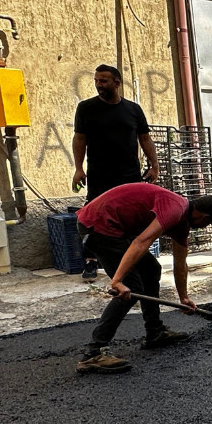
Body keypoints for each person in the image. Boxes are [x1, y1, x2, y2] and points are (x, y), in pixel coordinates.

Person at [74, 183, 212, 374]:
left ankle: (155, 332)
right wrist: (118, 281)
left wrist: (183, 298)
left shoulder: (181, 224)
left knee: (151, 269)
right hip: (99, 224)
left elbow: (180, 265)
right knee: (131, 286)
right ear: (205, 218)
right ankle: (94, 352)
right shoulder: (175, 209)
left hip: (116, 228)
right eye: (209, 224)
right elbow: (142, 242)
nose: (205, 227)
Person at [72, 64, 160, 280]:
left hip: (129, 175)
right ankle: (91, 261)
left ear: (117, 83)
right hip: (99, 174)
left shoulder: (133, 110)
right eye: (96, 80)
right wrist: (78, 168)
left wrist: (154, 165)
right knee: (94, 217)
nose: (98, 85)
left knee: (130, 217)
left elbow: (145, 138)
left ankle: (131, 259)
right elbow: (80, 138)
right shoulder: (86, 108)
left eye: (103, 81)